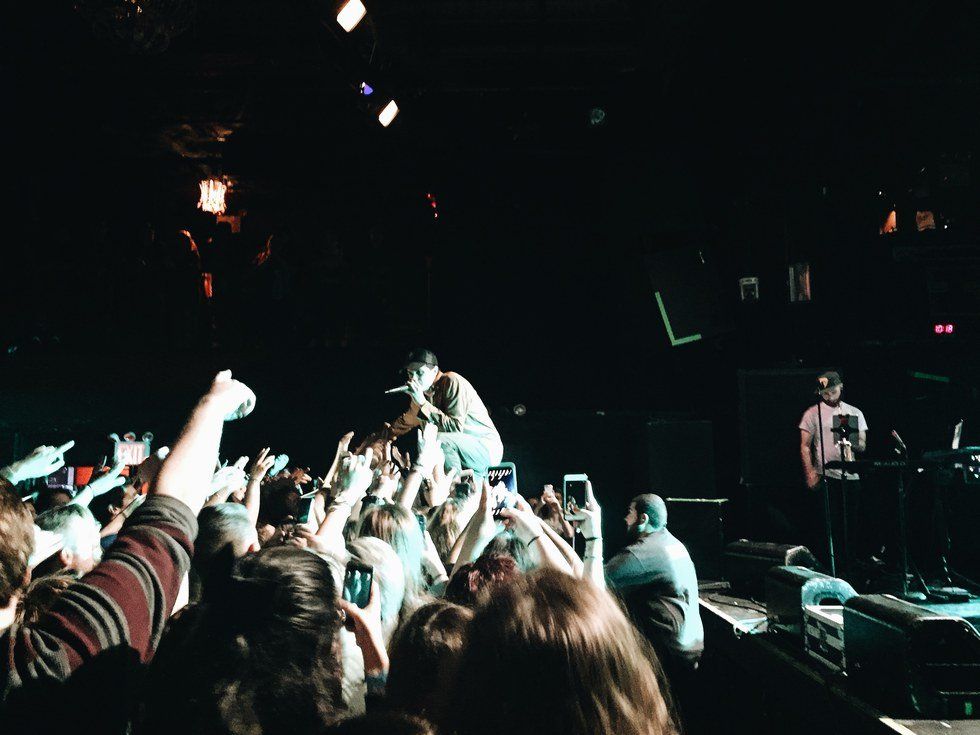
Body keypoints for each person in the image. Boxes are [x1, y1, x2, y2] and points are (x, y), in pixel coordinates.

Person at [603, 494, 704, 678]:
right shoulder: (674, 544)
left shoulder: (644, 553)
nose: (625, 519)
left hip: (670, 653)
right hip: (691, 646)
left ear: (643, 519)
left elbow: (595, 579)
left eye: (630, 512)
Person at [386, 348, 503, 478]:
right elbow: (406, 421)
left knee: (438, 440)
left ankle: (454, 483)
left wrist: (422, 403)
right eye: (410, 374)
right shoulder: (421, 395)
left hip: (485, 448)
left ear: (434, 371)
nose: (414, 379)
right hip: (460, 454)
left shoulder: (452, 381)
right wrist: (383, 437)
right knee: (428, 447)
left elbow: (455, 427)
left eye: (419, 373)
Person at [798, 370, 869, 576]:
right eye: (825, 393)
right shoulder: (813, 413)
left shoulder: (853, 412)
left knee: (851, 524)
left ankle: (850, 568)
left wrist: (852, 441)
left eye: (833, 392)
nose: (829, 397)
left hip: (850, 475)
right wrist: (810, 473)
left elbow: (863, 444)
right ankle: (830, 569)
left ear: (841, 387)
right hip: (826, 475)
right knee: (830, 525)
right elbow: (804, 446)